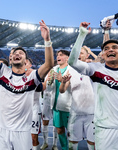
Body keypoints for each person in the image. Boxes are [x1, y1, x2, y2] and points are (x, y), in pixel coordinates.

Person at [0, 13, 54, 150]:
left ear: (26, 61)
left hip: (23, 131)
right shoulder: (3, 72)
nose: (17, 54)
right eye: (14, 53)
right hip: (2, 130)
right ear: (11, 59)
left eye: (21, 53)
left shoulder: (32, 78)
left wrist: (47, 40)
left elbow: (49, 64)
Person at [68, 21, 118, 150]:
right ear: (102, 54)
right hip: (104, 128)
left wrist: (106, 31)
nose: (110, 50)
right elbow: (72, 61)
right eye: (106, 49)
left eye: (114, 47)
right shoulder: (96, 69)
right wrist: (82, 35)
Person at [59, 46, 95, 150]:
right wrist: (64, 82)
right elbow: (62, 90)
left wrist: (91, 52)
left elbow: (102, 59)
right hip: (75, 113)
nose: (78, 55)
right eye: (77, 53)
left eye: (81, 53)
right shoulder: (69, 70)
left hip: (92, 114)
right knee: (72, 144)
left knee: (92, 144)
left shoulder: (92, 68)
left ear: (87, 55)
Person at [41, 67, 58, 150]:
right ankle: (45, 143)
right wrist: (46, 80)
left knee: (56, 124)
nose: (51, 72)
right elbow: (43, 87)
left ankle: (55, 145)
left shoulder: (58, 76)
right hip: (46, 102)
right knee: (44, 122)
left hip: (56, 102)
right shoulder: (45, 76)